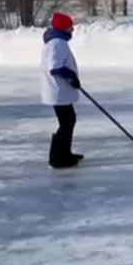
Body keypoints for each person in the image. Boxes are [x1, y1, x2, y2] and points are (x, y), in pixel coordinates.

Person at [41, 12, 83, 168]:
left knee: (68, 121)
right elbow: (55, 66)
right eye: (70, 26)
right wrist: (71, 76)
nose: (72, 29)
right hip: (58, 90)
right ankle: (57, 158)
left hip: (60, 90)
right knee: (67, 122)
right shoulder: (57, 42)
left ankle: (65, 152)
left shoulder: (57, 41)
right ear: (63, 27)